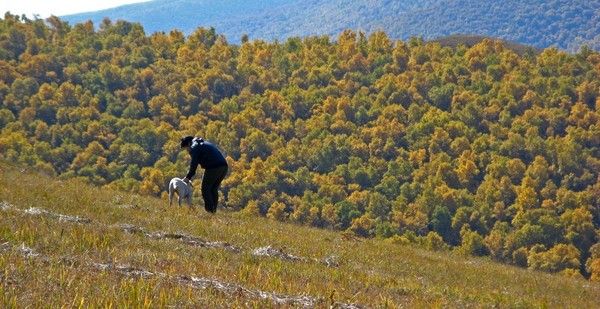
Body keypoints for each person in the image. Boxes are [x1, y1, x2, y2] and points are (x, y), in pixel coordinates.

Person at [180, 136, 228, 213]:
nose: (187, 151)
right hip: (224, 166)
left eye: (186, 149)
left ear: (189, 144)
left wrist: (187, 177)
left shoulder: (194, 147)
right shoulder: (201, 143)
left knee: (205, 189)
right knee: (213, 189)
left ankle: (210, 211)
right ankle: (213, 211)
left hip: (214, 167)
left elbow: (193, 165)